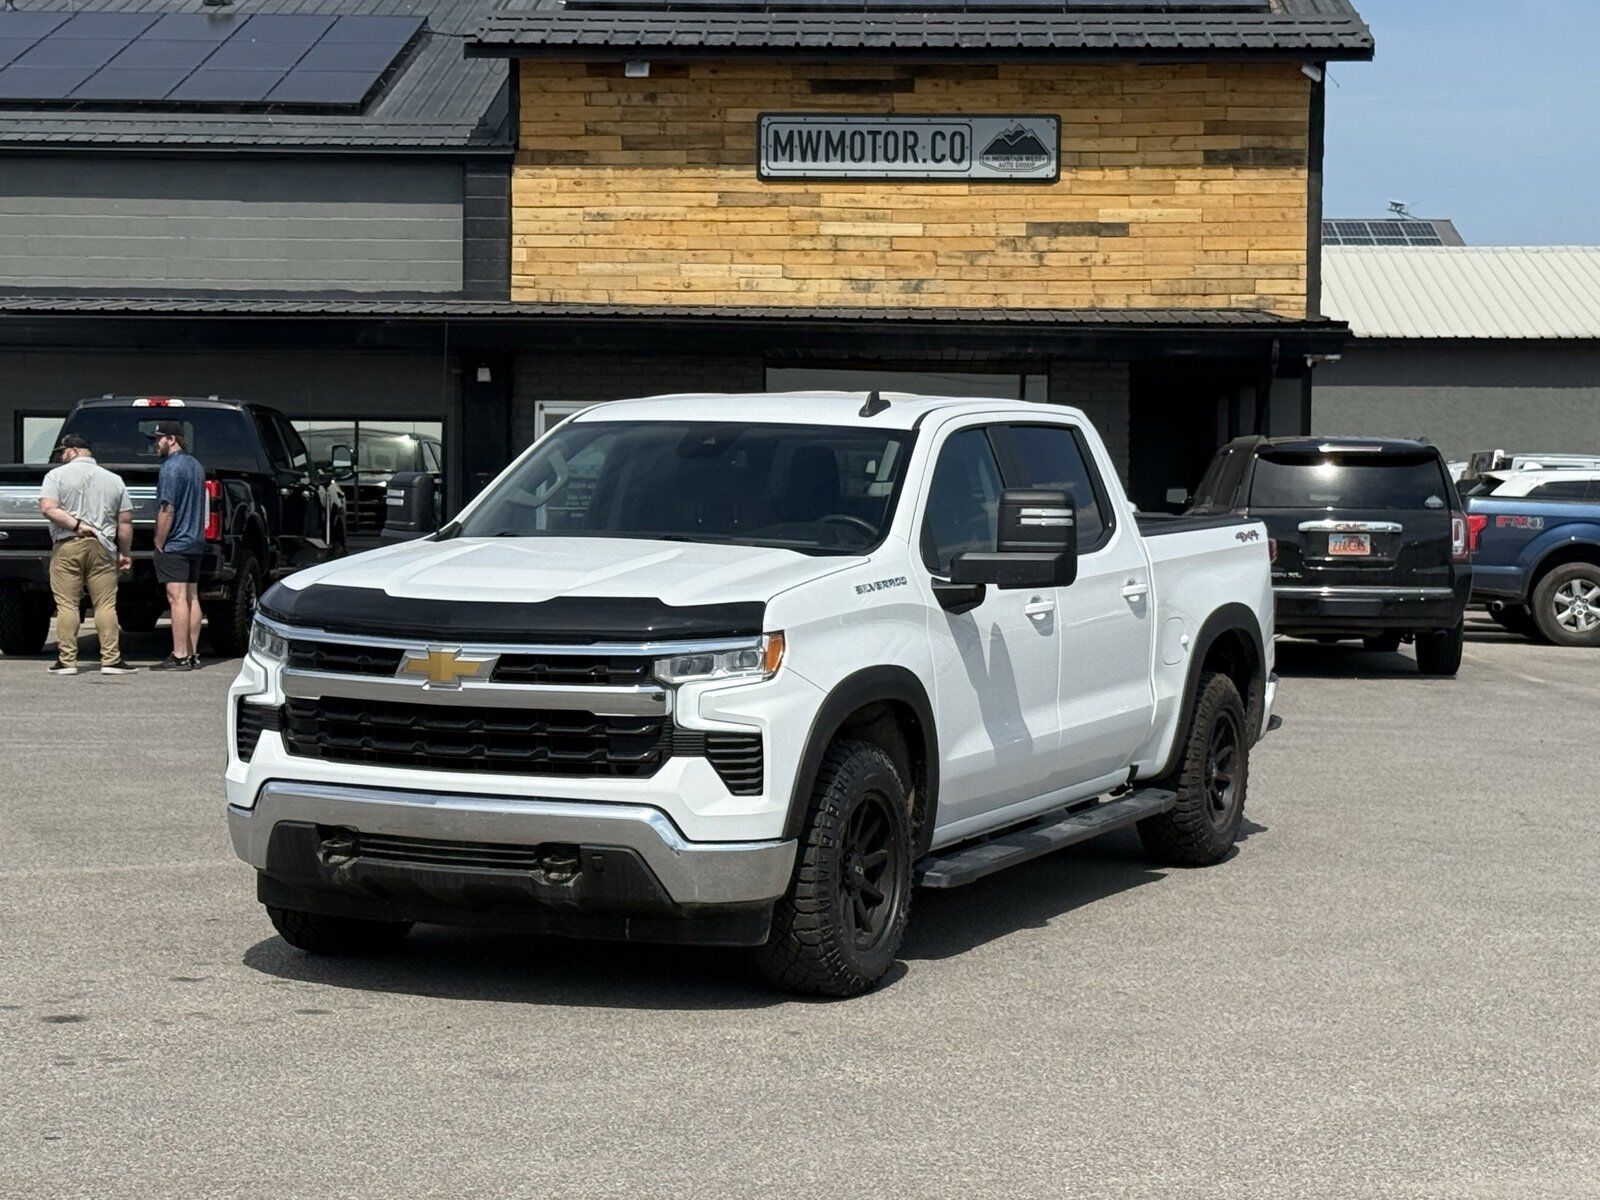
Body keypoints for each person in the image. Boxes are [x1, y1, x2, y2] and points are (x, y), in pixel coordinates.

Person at [38, 434, 138, 676]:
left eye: (63, 452)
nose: (62, 457)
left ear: (74, 451)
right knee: (105, 604)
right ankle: (111, 660)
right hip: (103, 546)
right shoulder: (114, 480)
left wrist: (75, 525)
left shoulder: (55, 476)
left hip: (67, 544)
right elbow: (125, 521)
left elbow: (47, 508)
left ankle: (67, 661)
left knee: (67, 604)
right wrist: (124, 552)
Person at [150, 419, 206, 671]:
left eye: (158, 439)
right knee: (192, 596)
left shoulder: (170, 468)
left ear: (171, 439)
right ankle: (193, 653)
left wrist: (159, 541)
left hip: (176, 543)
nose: (155, 444)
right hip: (195, 541)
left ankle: (180, 654)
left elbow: (167, 508)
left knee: (177, 598)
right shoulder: (196, 466)